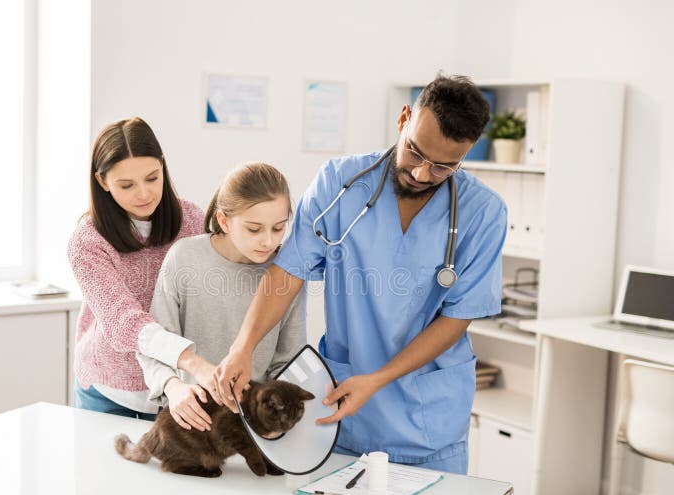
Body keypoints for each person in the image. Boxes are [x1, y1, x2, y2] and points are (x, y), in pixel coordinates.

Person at [213, 74, 507, 474]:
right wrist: (243, 347)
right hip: (346, 416)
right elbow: (288, 271)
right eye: (415, 154)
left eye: (443, 167)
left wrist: (379, 379)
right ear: (403, 119)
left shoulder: (484, 213)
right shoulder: (339, 183)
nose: (422, 174)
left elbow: (456, 319)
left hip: (428, 424)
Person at [137, 162, 307, 431]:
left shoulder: (287, 273)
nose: (268, 241)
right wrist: (173, 388)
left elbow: (288, 361)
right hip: (190, 425)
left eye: (278, 228)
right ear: (224, 221)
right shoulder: (184, 258)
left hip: (254, 429)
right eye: (254, 229)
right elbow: (154, 345)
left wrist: (278, 422)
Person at [68, 117, 205, 420]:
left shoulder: (193, 220)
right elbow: (122, 321)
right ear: (103, 182)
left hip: (181, 394)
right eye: (126, 185)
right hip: (107, 394)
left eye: (152, 178)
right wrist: (192, 362)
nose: (143, 194)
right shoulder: (87, 241)